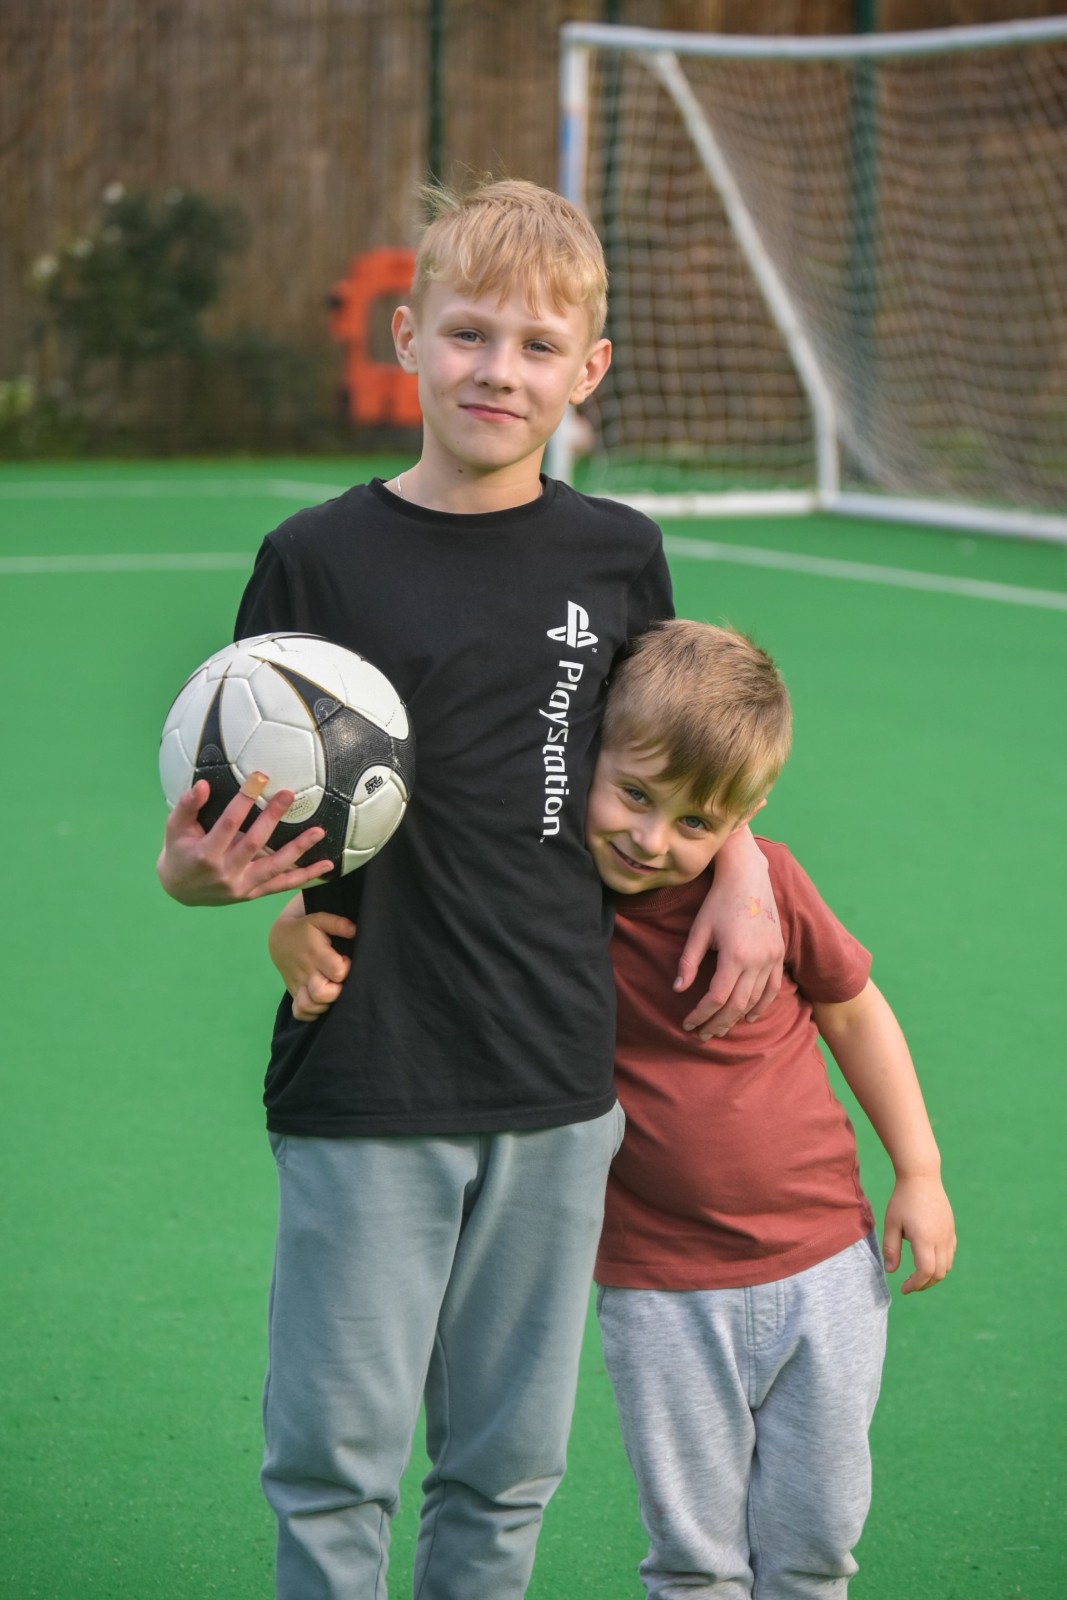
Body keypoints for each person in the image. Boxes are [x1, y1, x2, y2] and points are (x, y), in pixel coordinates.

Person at [156, 179, 785, 1600]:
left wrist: (739, 863)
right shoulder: (315, 559)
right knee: (335, 1458)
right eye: (467, 333)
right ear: (406, 337)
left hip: (557, 1079)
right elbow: (232, 828)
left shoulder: (615, 555)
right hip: (368, 1069)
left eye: (535, 346)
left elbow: (676, 763)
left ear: (587, 372)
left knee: (504, 1471)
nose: (498, 370)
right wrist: (207, 883)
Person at [274, 619, 957, 1600]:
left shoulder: (769, 890)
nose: (651, 840)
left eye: (696, 823)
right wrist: (289, 935)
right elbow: (379, 897)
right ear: (583, 754)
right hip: (658, 1286)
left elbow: (852, 1012)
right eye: (634, 795)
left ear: (746, 816)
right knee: (692, 1558)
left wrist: (920, 1170)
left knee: (815, 1544)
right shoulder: (540, 890)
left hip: (827, 1263)